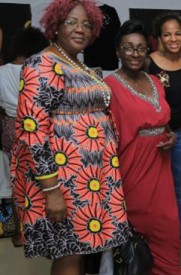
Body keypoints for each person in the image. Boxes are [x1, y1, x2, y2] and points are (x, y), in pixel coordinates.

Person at [10, 0, 129, 274]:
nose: (80, 29)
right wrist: (52, 191)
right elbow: (32, 131)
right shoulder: (42, 64)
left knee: (76, 250)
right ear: (56, 25)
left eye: (87, 24)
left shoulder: (78, 64)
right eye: (71, 22)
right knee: (68, 253)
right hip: (64, 180)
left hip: (91, 178)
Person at [104, 19, 181, 275]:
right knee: (139, 228)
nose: (135, 54)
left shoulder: (155, 81)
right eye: (128, 48)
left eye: (140, 48)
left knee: (169, 225)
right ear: (117, 51)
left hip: (161, 165)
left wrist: (170, 136)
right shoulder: (109, 87)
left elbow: (164, 121)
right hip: (132, 168)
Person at [147, 12, 181, 273]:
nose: (173, 38)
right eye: (167, 33)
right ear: (159, 38)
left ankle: (180, 246)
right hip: (153, 137)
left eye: (178, 33)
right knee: (155, 194)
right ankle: (152, 247)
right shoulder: (148, 63)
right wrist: (163, 130)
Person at [0, 25, 49, 247]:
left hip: (10, 128)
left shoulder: (1, 72)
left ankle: (22, 234)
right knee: (42, 180)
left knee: (17, 182)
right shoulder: (39, 70)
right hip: (37, 126)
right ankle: (44, 229)